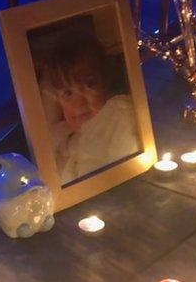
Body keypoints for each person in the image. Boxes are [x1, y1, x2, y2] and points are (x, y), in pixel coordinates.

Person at [41, 30, 139, 183]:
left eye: (89, 84)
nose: (79, 102)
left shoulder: (117, 115)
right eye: (68, 93)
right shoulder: (63, 139)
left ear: (105, 84)